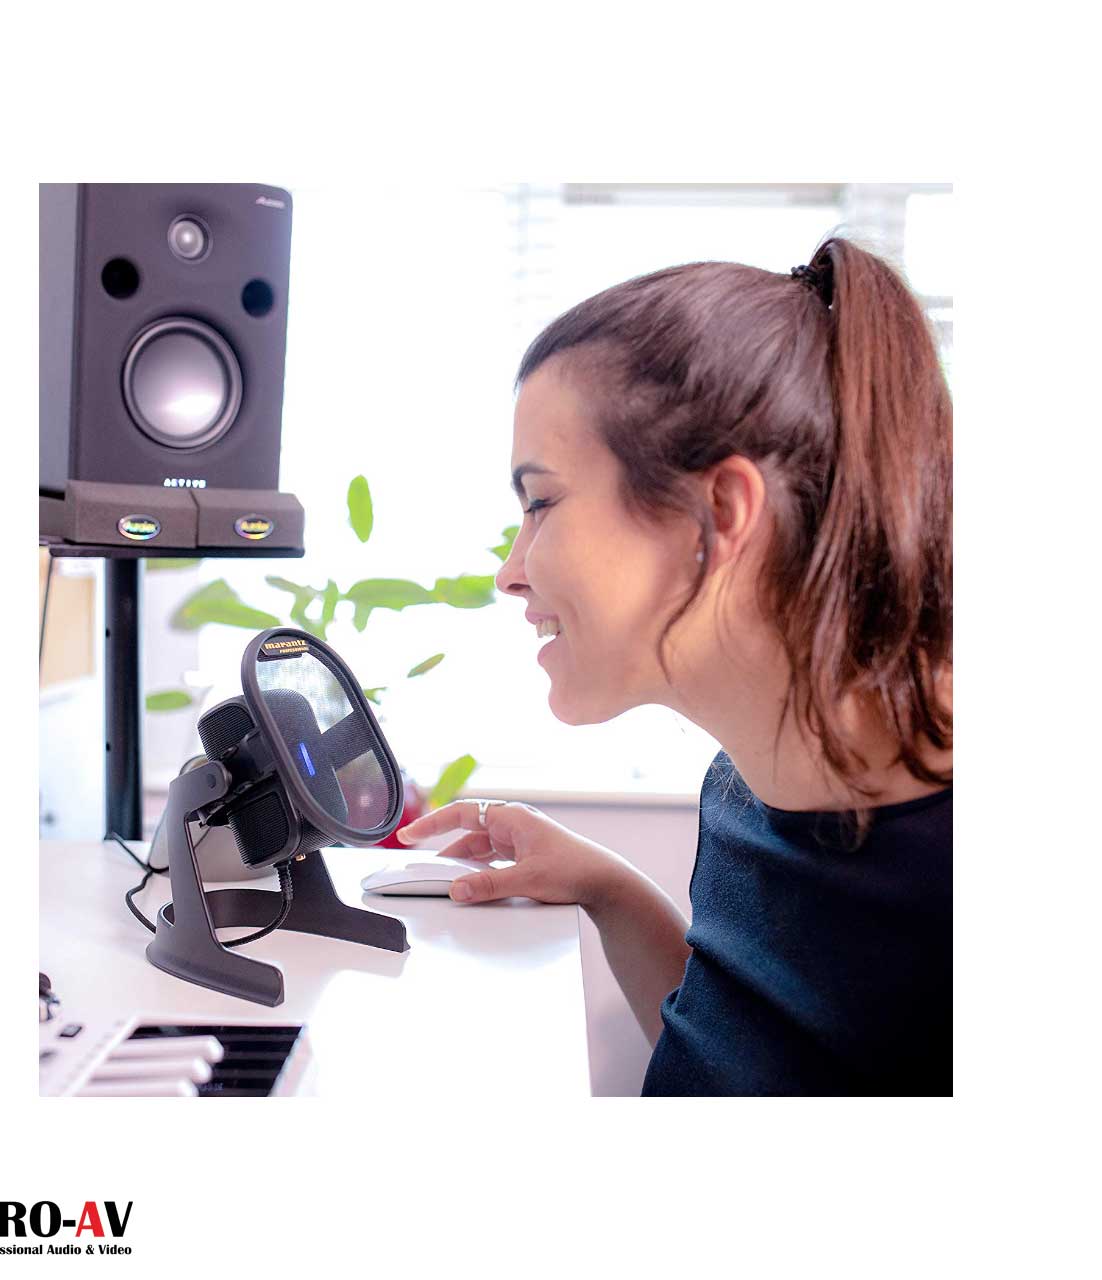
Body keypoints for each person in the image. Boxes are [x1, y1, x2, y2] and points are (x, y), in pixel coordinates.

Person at [398, 236, 952, 1096]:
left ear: (719, 511)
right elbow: (737, 1069)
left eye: (541, 503)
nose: (511, 571)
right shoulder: (743, 783)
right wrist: (606, 888)